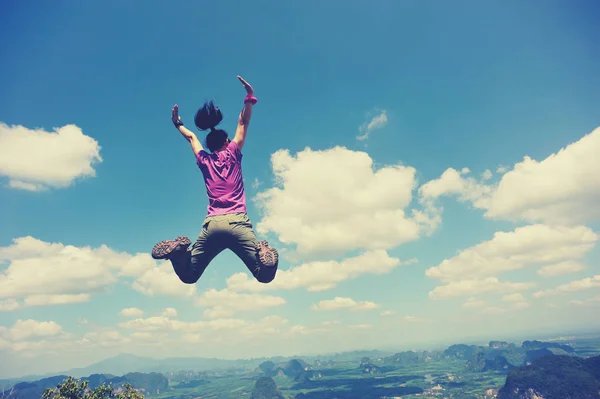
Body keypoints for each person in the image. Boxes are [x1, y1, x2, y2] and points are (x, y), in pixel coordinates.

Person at [151, 76, 279, 285]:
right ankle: (263, 252)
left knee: (189, 275)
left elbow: (192, 138)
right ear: (227, 142)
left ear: (209, 147)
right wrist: (249, 97)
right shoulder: (233, 152)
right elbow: (243, 121)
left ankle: (178, 253)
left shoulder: (204, 160)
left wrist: (177, 123)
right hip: (238, 223)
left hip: (213, 225)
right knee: (264, 275)